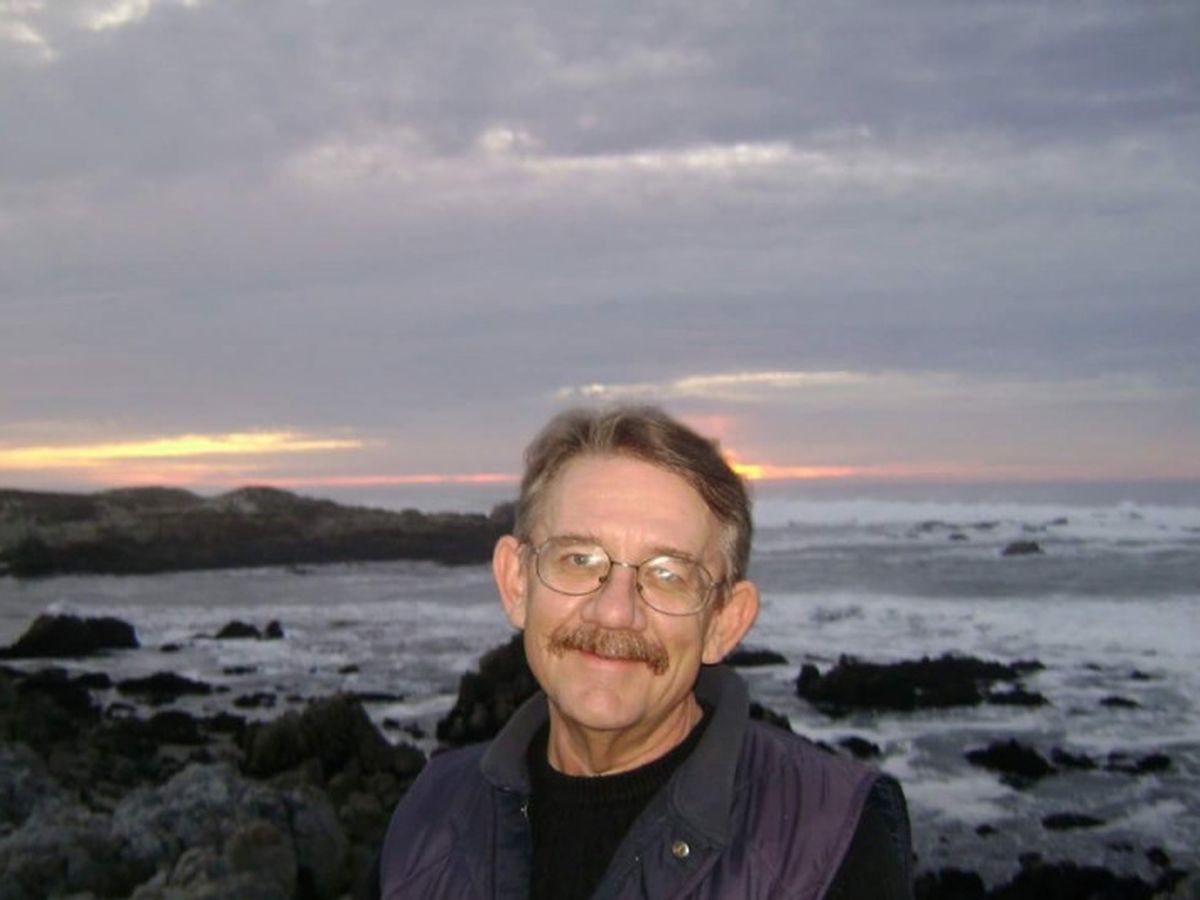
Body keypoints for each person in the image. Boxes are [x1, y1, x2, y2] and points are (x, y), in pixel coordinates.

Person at [378, 406, 913, 899]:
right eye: (579, 559)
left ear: (724, 623)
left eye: (668, 574)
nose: (615, 612)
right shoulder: (427, 815)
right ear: (516, 583)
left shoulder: (834, 842)